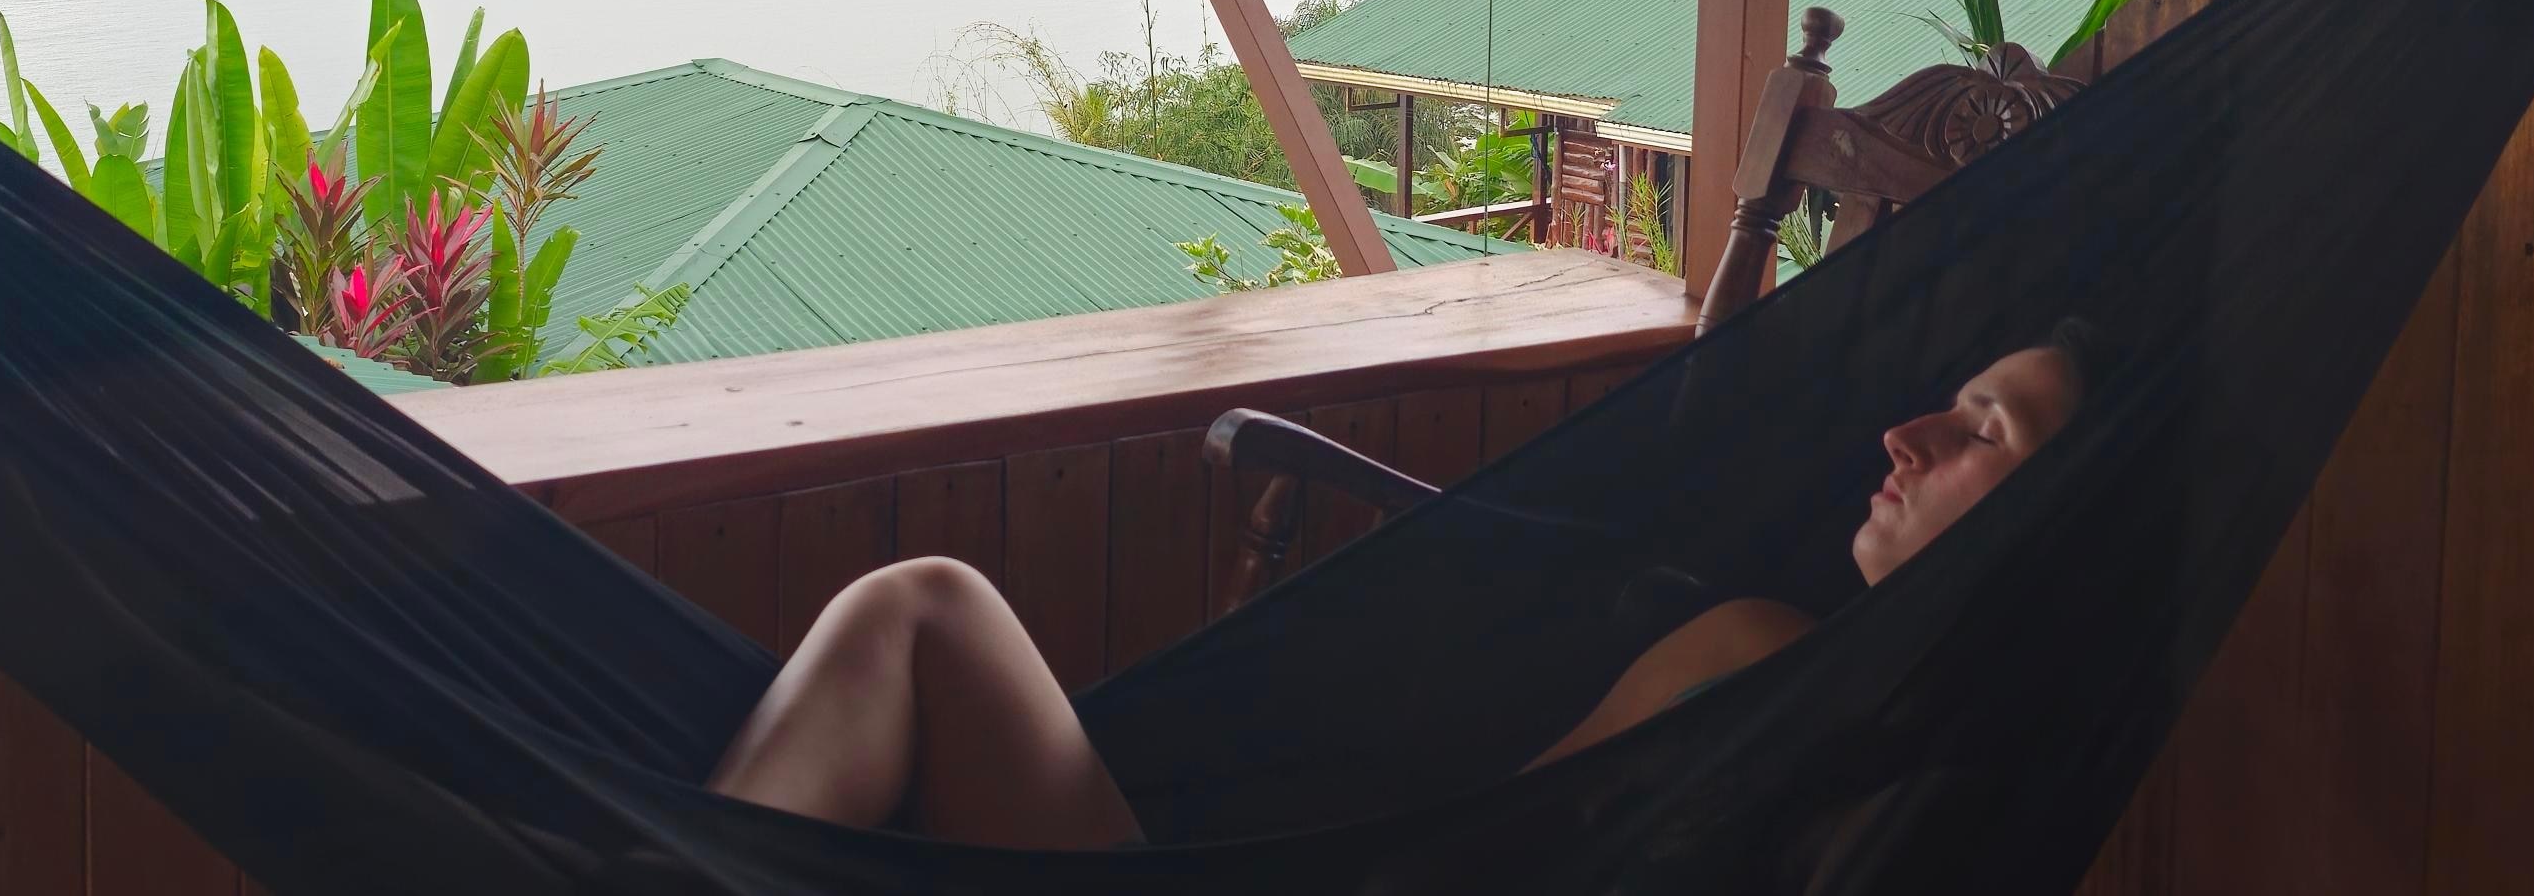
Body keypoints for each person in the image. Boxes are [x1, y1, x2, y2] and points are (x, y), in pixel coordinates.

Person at [697, 324, 2104, 849]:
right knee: (919, 612)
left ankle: (647, 860)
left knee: (926, 604)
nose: (1907, 434)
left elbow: (1494, 848)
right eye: (1949, 398)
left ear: (2048, 518)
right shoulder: (1926, 749)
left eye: (1984, 430)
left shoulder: (1769, 659)